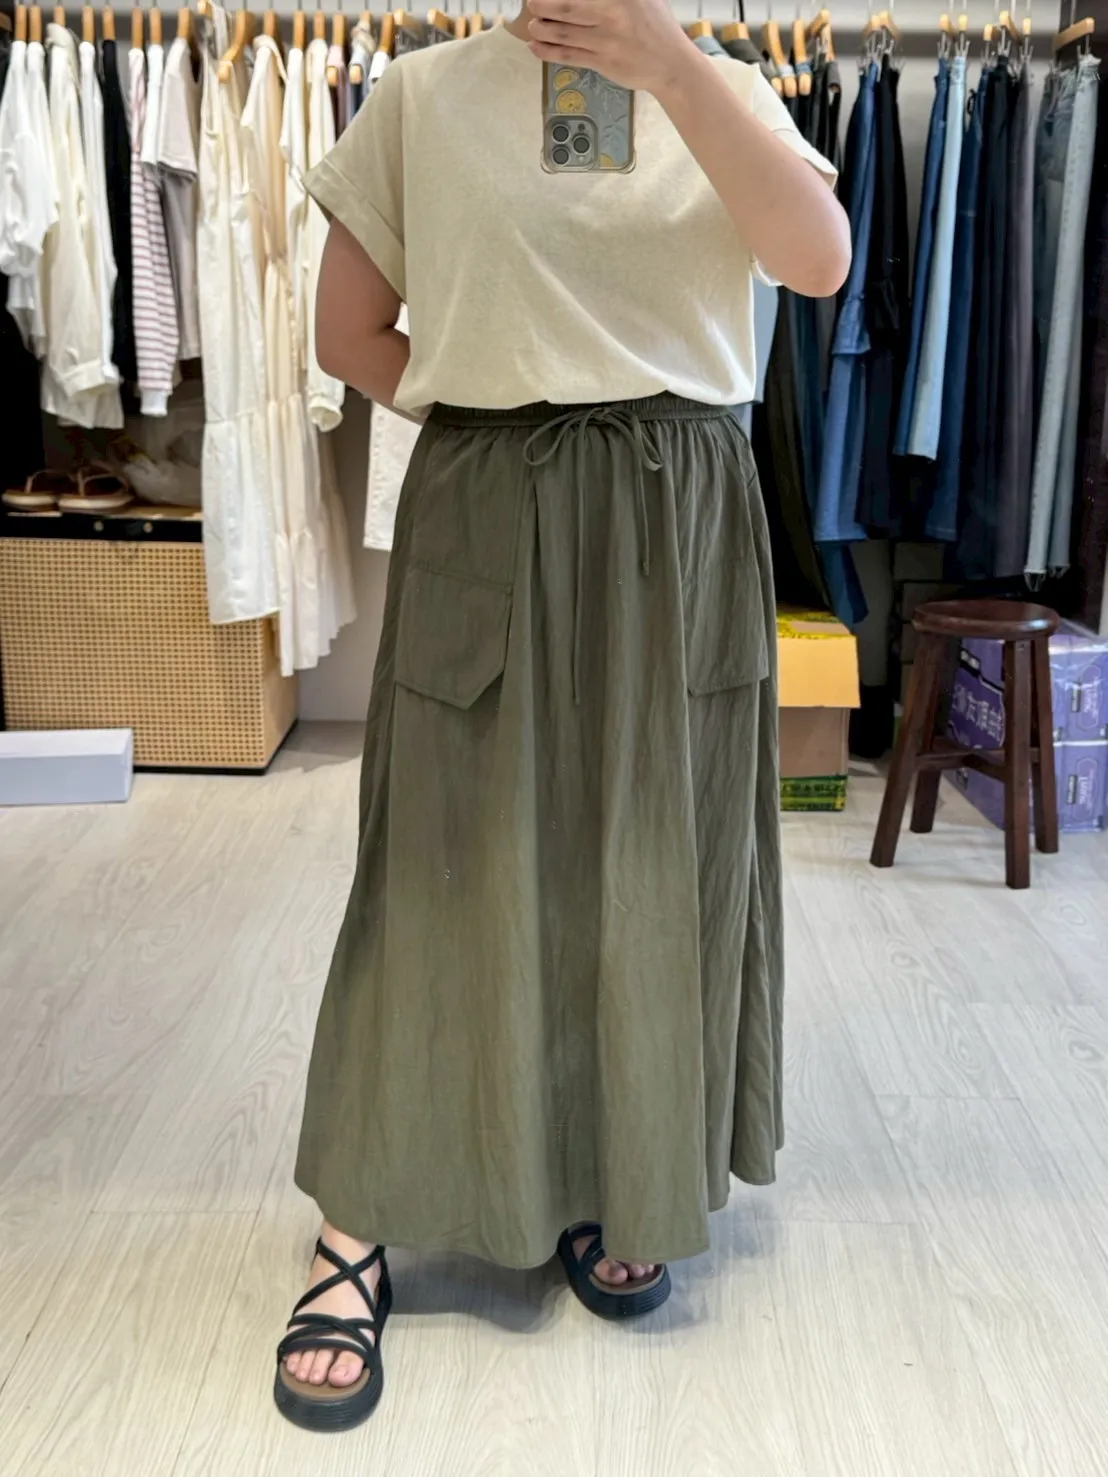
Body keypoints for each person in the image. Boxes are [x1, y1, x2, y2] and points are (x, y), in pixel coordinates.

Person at [274, 0, 849, 1433]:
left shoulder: (731, 92)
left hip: (678, 523)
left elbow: (817, 262)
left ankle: (613, 1172)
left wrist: (675, 74)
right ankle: (357, 1230)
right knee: (439, 862)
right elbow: (350, 334)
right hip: (495, 505)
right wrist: (495, 407)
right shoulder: (417, 99)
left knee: (655, 858)